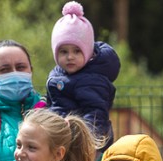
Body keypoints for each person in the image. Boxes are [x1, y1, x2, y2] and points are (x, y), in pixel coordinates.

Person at [47, 1, 120, 147]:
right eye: (63, 52)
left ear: (88, 52)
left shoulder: (92, 80)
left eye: (77, 51)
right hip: (61, 139)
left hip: (84, 145)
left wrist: (84, 144)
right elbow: (53, 103)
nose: (70, 57)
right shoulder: (57, 74)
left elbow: (95, 116)